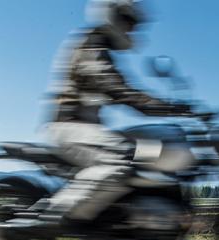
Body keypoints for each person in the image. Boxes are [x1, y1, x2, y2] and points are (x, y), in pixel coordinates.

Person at [26, 0, 194, 226]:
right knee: (121, 158)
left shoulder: (102, 50)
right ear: (113, 16)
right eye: (128, 21)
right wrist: (165, 106)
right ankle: (52, 215)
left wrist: (169, 107)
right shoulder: (91, 46)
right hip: (68, 128)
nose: (131, 28)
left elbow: (121, 88)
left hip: (86, 131)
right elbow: (116, 87)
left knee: (142, 151)